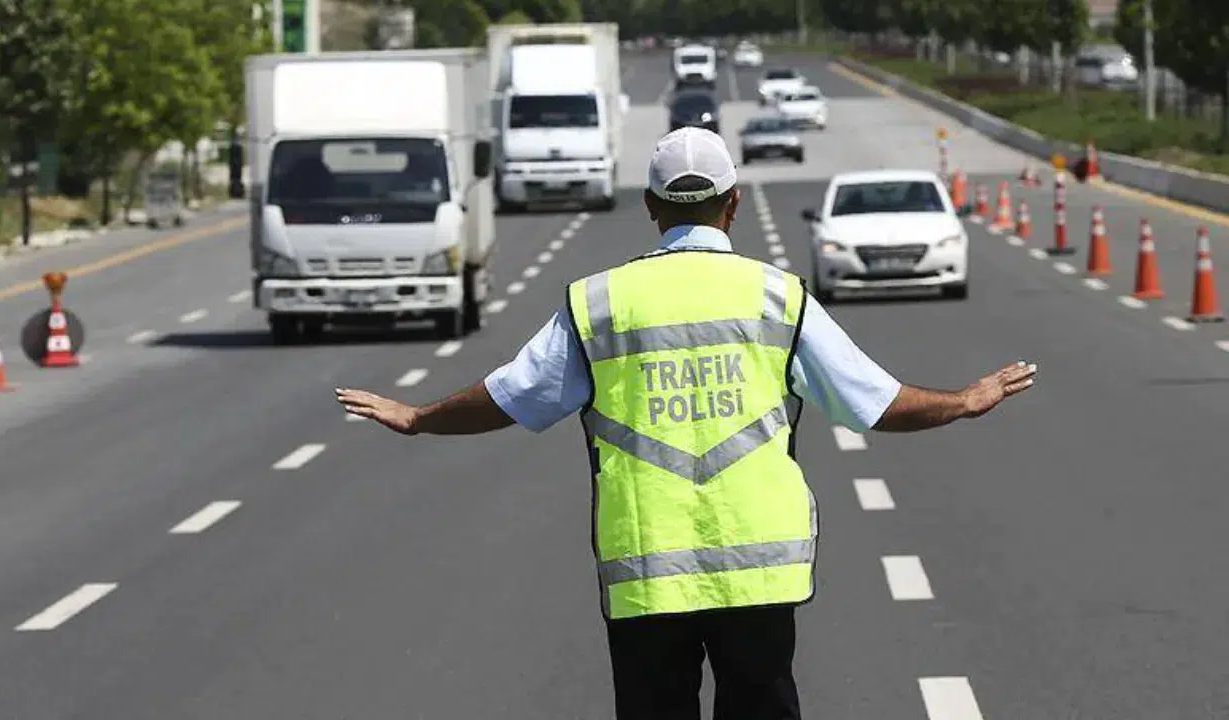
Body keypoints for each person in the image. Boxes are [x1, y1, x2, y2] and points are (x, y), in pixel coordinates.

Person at [335, 127, 1037, 720]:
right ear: (732, 204)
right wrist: (963, 401)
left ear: (651, 207)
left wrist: (418, 417)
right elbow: (874, 403)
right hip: (759, 570)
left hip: (646, 569)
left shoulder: (600, 303)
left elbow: (513, 397)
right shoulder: (776, 297)